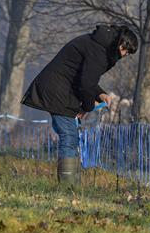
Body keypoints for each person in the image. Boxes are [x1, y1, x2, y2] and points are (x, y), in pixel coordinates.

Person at [22, 24, 138, 189]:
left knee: (71, 137)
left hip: (60, 88)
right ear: (121, 44)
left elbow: (84, 77)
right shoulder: (99, 52)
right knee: (69, 137)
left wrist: (100, 94)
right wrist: (87, 107)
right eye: (126, 51)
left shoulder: (100, 46)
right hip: (56, 91)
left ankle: (73, 185)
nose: (125, 55)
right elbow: (84, 84)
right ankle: (68, 187)